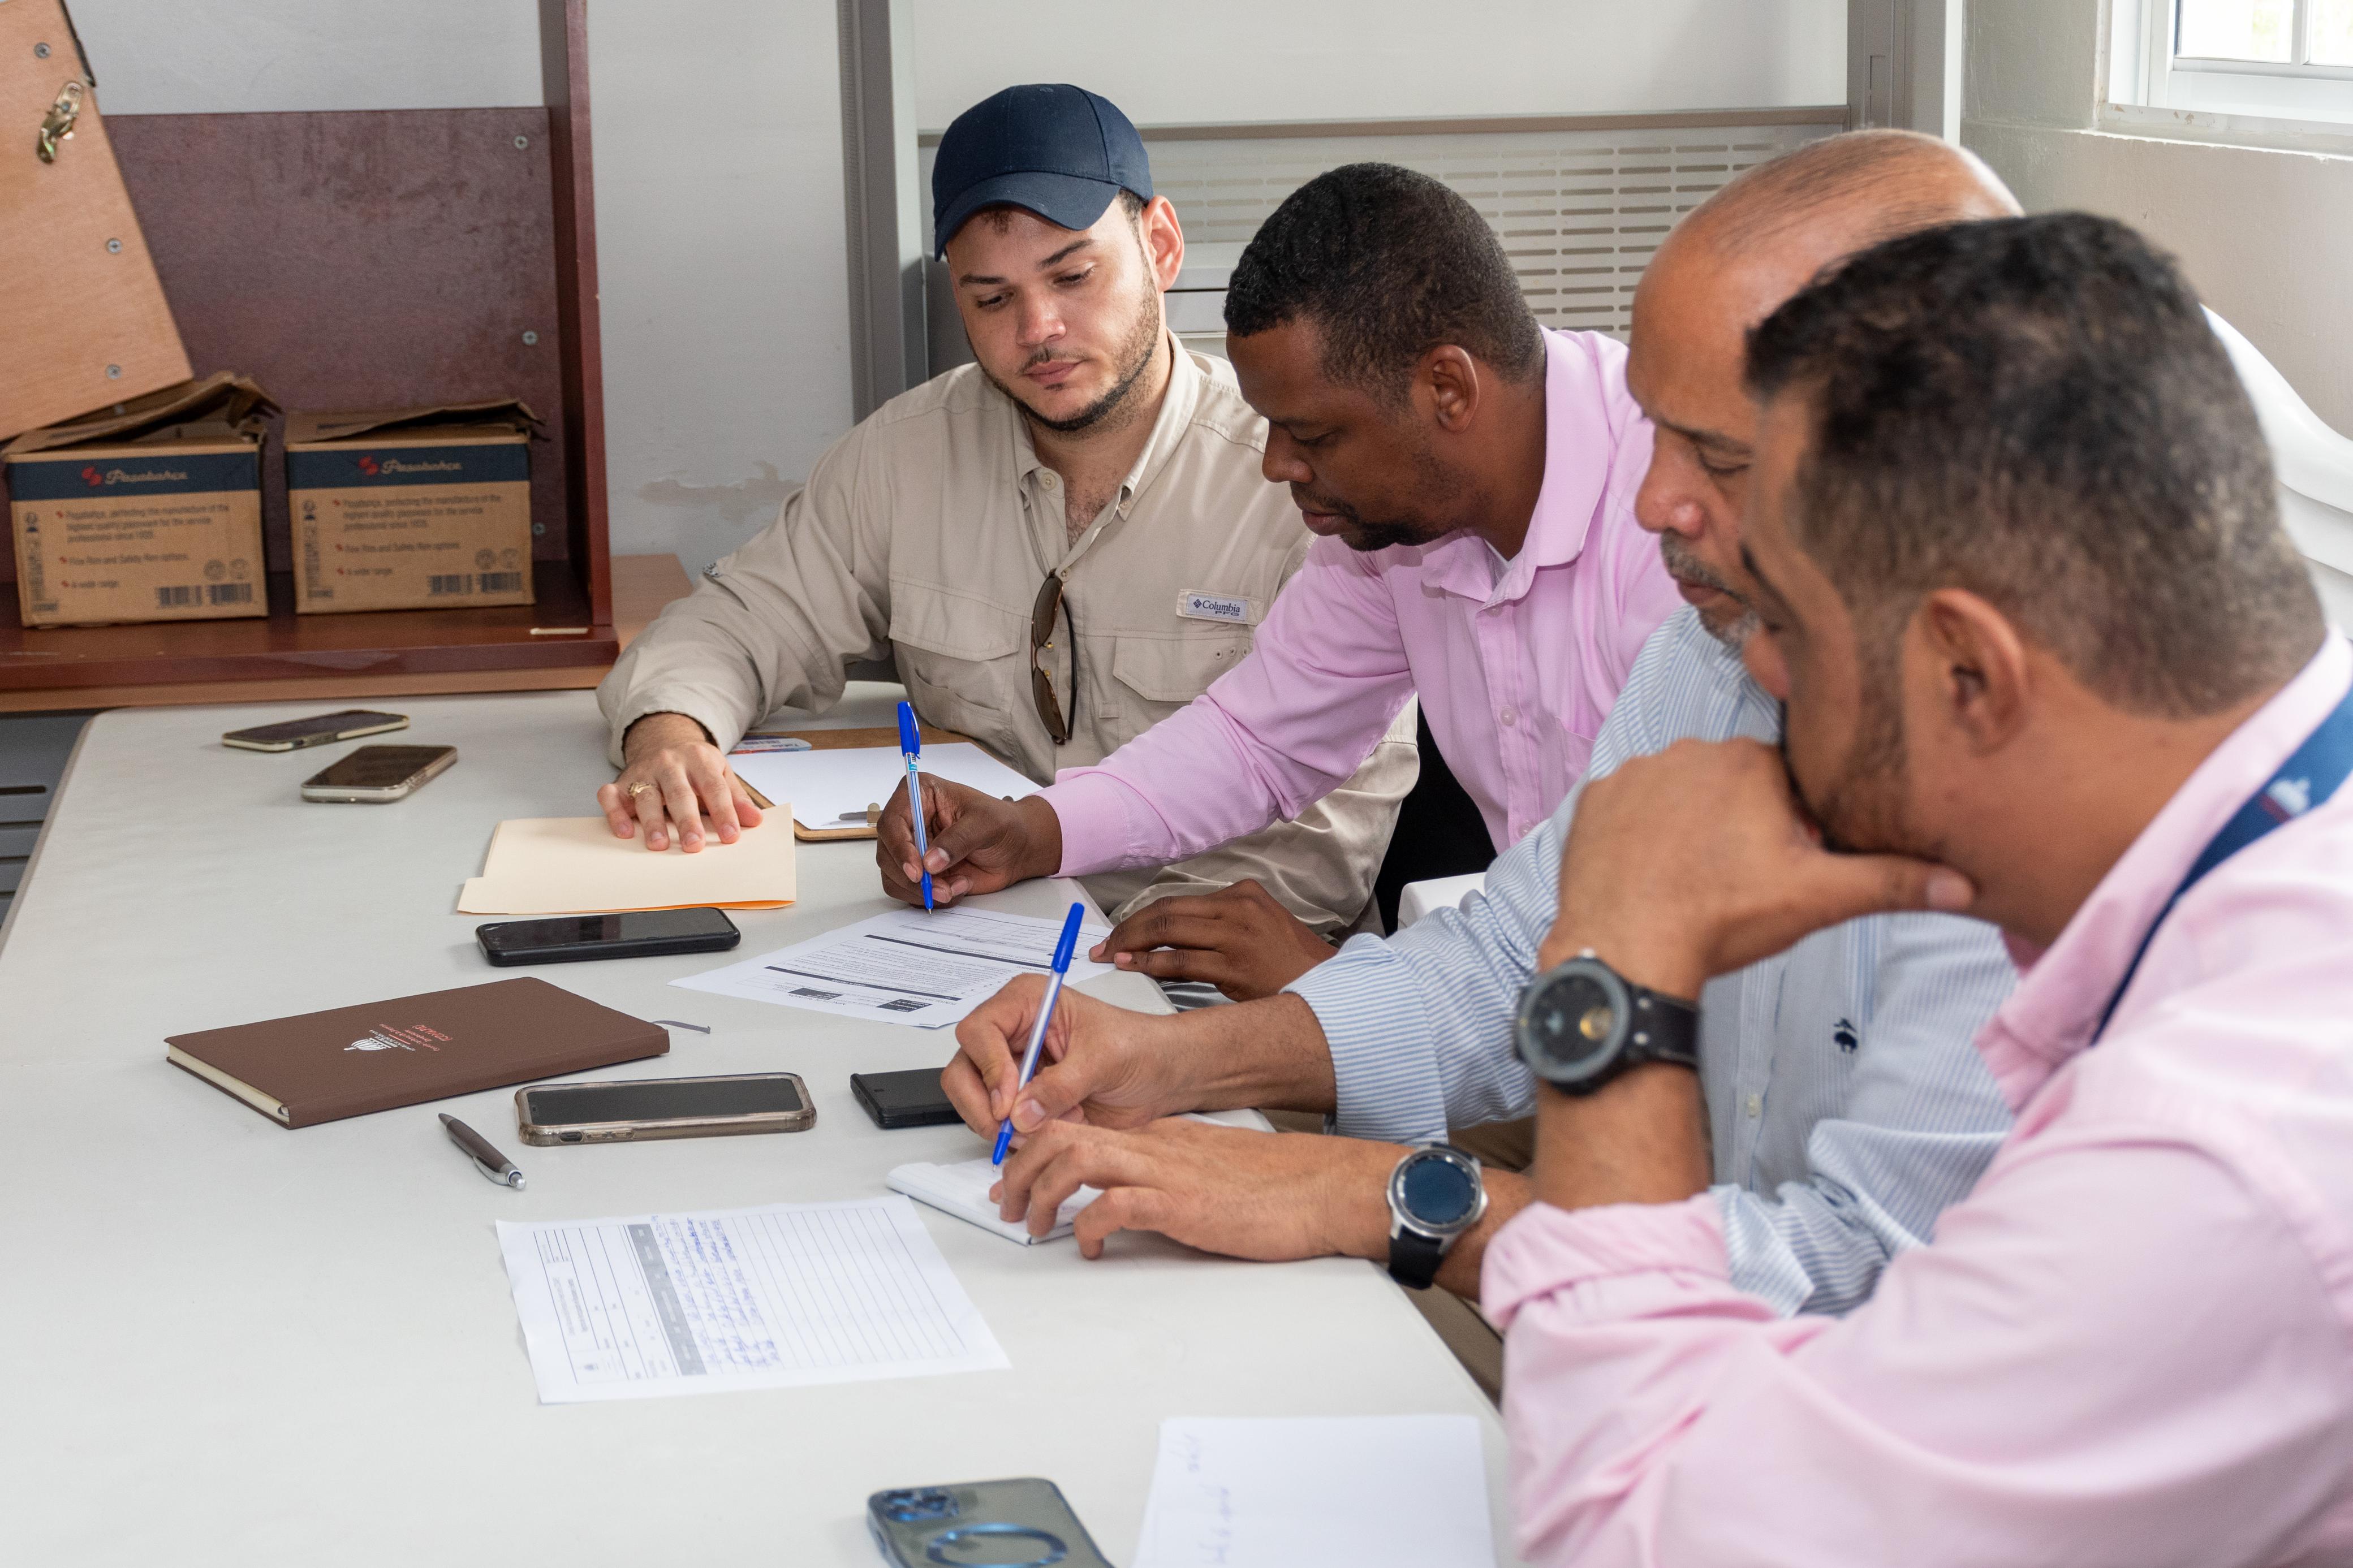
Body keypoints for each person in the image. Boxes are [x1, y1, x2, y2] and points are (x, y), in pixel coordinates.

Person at [944, 132, 2021, 1326]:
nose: (1655, 499)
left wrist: (1368, 1195)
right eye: (1656, 432)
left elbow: (1870, 1276)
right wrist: (1162, 1056)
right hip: (1646, 1190)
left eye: (1713, 456)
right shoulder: (1713, 648)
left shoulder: (2018, 790)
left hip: (1726, 1277)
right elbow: (1512, 951)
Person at [1490, 213, 2353, 1565]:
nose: (1755, 669)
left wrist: (1617, 971)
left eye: (1784, 622)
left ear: (1969, 671)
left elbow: (1642, 1537)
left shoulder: (2213, 1150)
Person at [594, 84, 1413, 937]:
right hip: (966, 941)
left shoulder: (1301, 480)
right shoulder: (906, 455)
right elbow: (738, 621)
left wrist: (1099, 954)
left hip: (1199, 973)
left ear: (1162, 246)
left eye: (1073, 276)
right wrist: (670, 735)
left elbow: (1325, 845)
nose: (1038, 329)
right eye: (992, 298)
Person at [877, 162, 1683, 999]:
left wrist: (1349, 993)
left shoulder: (1680, 532)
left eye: (1313, 435)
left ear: (1447, 389)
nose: (1275, 464)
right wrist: (1034, 831)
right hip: (1551, 1011)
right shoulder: (1390, 528)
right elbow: (1258, 737)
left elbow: (1683, 940)